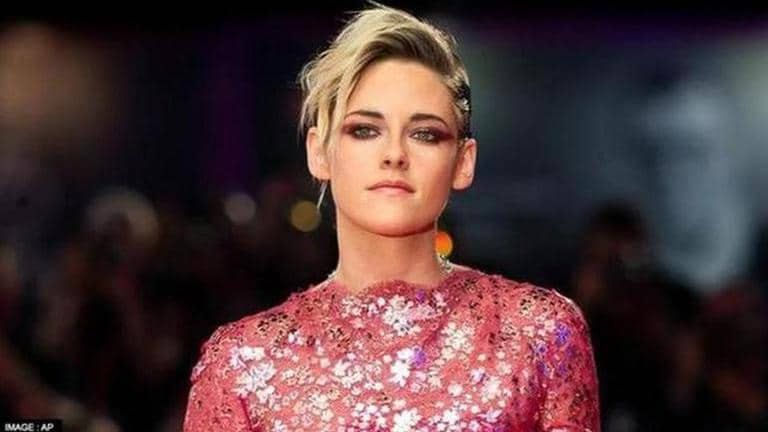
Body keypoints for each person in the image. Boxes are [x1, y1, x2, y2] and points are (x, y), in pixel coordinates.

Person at [183, 2, 600, 431]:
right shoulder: (242, 363)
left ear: (463, 162)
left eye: (425, 134)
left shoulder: (539, 333)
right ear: (319, 152)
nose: (394, 154)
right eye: (364, 130)